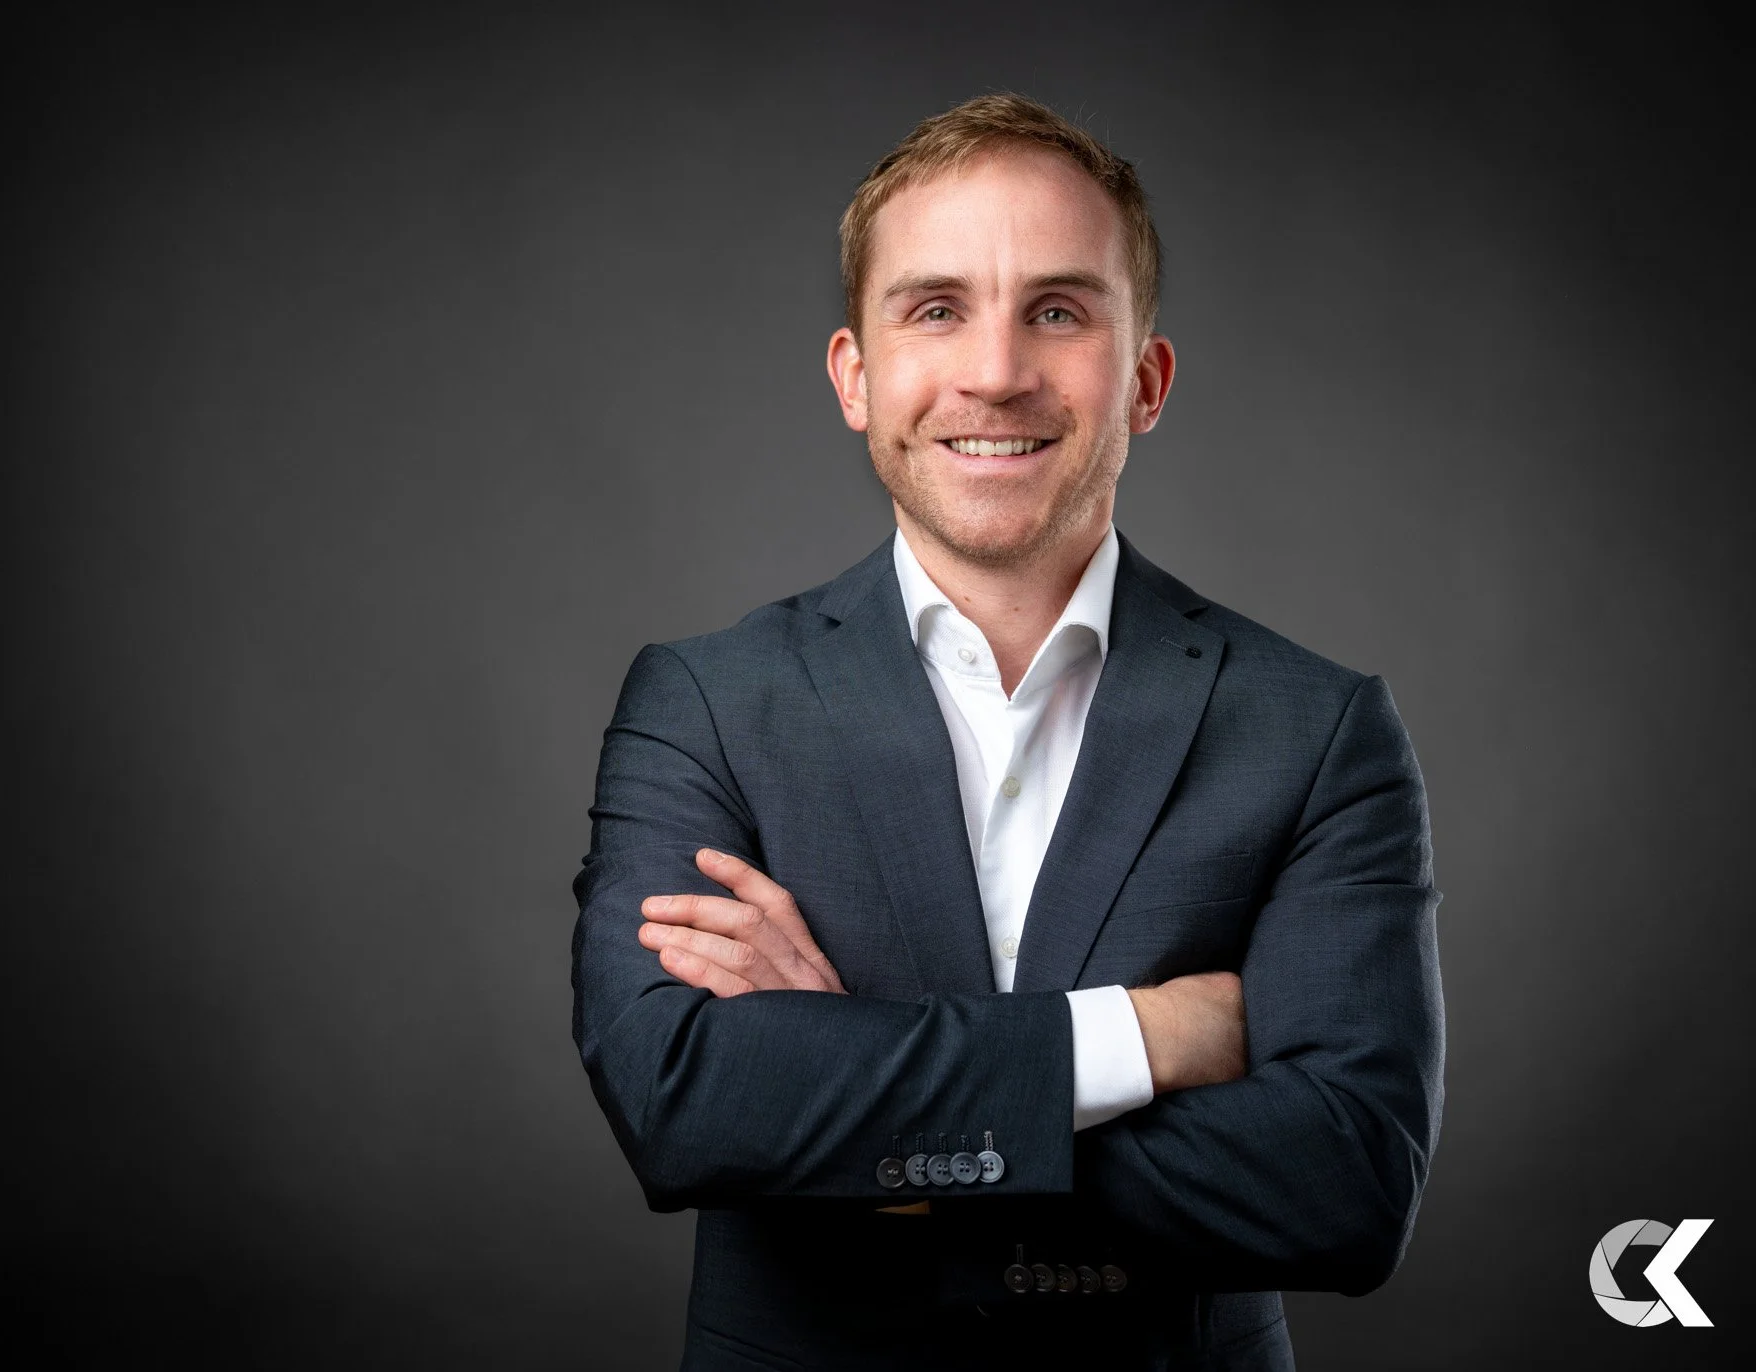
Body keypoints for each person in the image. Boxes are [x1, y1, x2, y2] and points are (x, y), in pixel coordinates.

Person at [571, 93, 1443, 1371]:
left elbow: (1344, 1185)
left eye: (1057, 308)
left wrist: (862, 1117)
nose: (994, 370)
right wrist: (1143, 1038)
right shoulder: (702, 703)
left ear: (1142, 379)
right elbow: (684, 1103)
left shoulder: (1315, 727)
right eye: (934, 308)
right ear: (854, 379)